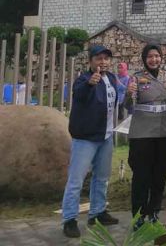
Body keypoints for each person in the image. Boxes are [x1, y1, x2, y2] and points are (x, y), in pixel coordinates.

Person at [61, 45, 121, 238]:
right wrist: (89, 85)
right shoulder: (83, 79)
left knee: (102, 178)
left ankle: (97, 212)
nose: (103, 62)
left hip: (106, 136)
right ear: (90, 61)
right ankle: (69, 219)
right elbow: (79, 95)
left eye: (106, 58)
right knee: (76, 180)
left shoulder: (111, 78)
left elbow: (116, 101)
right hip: (86, 138)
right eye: (98, 58)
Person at [126, 44, 166, 226]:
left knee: (160, 174)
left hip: (165, 131)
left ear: (161, 58)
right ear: (144, 59)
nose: (154, 60)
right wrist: (128, 94)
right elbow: (128, 106)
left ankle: (154, 210)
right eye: (150, 56)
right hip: (143, 133)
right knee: (141, 175)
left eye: (157, 56)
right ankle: (139, 215)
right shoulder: (136, 78)